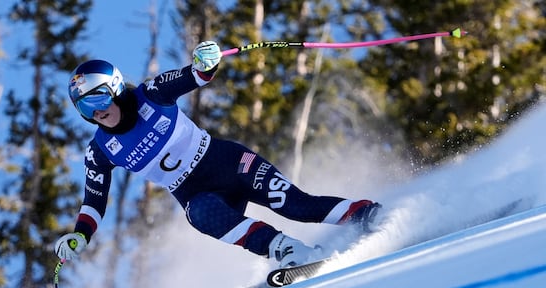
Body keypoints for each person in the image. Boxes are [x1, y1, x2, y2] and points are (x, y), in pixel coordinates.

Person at [55, 41, 381, 268]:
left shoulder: (150, 94)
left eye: (97, 100)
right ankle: (288, 250)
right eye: (83, 107)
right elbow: (93, 201)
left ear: (114, 87)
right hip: (196, 193)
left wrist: (205, 63)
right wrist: (80, 236)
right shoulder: (100, 151)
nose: (95, 113)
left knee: (297, 206)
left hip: (228, 164)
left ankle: (371, 215)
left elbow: (195, 76)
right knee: (200, 215)